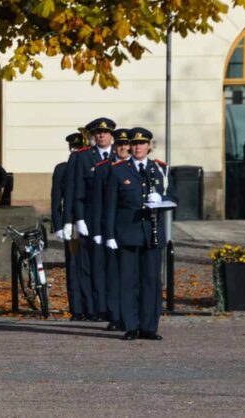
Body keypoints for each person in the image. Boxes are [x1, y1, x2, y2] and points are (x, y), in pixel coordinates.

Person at [103, 127, 174, 341]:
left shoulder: (161, 169)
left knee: (152, 281)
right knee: (129, 281)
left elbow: (173, 195)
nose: (138, 147)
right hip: (128, 233)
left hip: (152, 234)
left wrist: (162, 201)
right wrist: (109, 235)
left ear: (149, 146)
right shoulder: (118, 170)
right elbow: (110, 206)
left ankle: (149, 326)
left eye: (142, 143)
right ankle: (131, 325)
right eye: (134, 144)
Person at [68, 117, 116, 321]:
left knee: (112, 265)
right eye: (98, 132)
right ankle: (96, 308)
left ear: (112, 135)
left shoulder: (120, 155)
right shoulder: (83, 157)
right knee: (92, 265)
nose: (101, 135)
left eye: (105, 132)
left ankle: (112, 307)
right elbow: (76, 189)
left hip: (114, 218)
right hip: (89, 216)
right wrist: (78, 218)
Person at [95, 128, 132, 331]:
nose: (123, 148)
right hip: (111, 227)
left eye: (126, 145)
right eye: (120, 144)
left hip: (131, 227)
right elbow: (100, 202)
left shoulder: (135, 167)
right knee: (113, 275)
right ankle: (115, 315)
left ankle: (130, 315)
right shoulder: (103, 168)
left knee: (130, 276)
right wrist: (101, 231)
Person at [52, 132, 85, 317]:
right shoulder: (62, 169)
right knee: (73, 267)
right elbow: (56, 198)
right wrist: (58, 225)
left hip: (90, 223)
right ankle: (77, 308)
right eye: (73, 149)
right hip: (71, 223)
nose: (76, 152)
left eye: (79, 149)